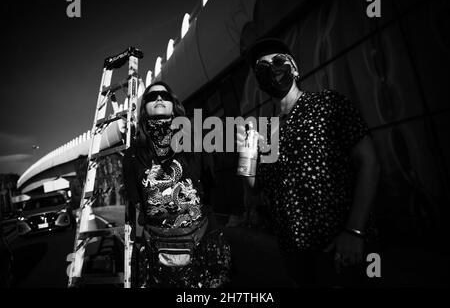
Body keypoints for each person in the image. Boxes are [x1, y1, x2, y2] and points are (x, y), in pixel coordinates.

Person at [238, 38, 380, 287]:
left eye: (279, 61)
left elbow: (369, 162)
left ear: (293, 68)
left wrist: (354, 231)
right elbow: (254, 189)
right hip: (295, 257)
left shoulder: (327, 104)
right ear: (258, 80)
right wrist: (246, 154)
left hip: (339, 248)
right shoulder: (266, 131)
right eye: (262, 67)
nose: (272, 69)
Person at [122, 81, 231, 288]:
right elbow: (138, 203)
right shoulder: (132, 155)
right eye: (152, 97)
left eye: (164, 95)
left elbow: (212, 185)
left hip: (203, 242)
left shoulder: (195, 141)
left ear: (174, 105)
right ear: (144, 107)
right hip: (158, 249)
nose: (159, 98)